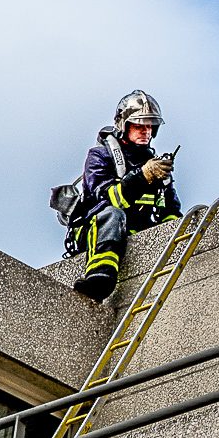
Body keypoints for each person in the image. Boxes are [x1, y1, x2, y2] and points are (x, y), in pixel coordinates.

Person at [72, 90, 181, 303]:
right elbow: (108, 199)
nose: (146, 131)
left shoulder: (156, 167)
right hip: (95, 231)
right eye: (139, 126)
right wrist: (142, 177)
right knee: (113, 214)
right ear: (124, 125)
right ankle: (100, 276)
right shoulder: (100, 156)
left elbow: (171, 212)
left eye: (150, 126)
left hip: (134, 231)